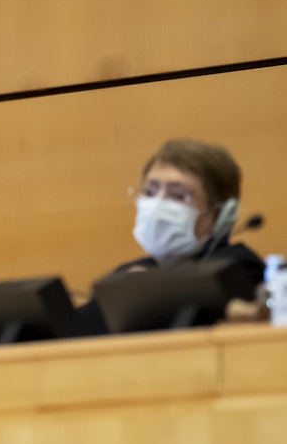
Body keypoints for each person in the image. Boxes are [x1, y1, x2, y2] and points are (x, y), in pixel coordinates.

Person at [77, 138, 265, 335]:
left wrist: (140, 289)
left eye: (178, 196)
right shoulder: (133, 271)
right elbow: (76, 328)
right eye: (150, 192)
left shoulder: (239, 264)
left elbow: (195, 312)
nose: (157, 205)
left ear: (220, 215)